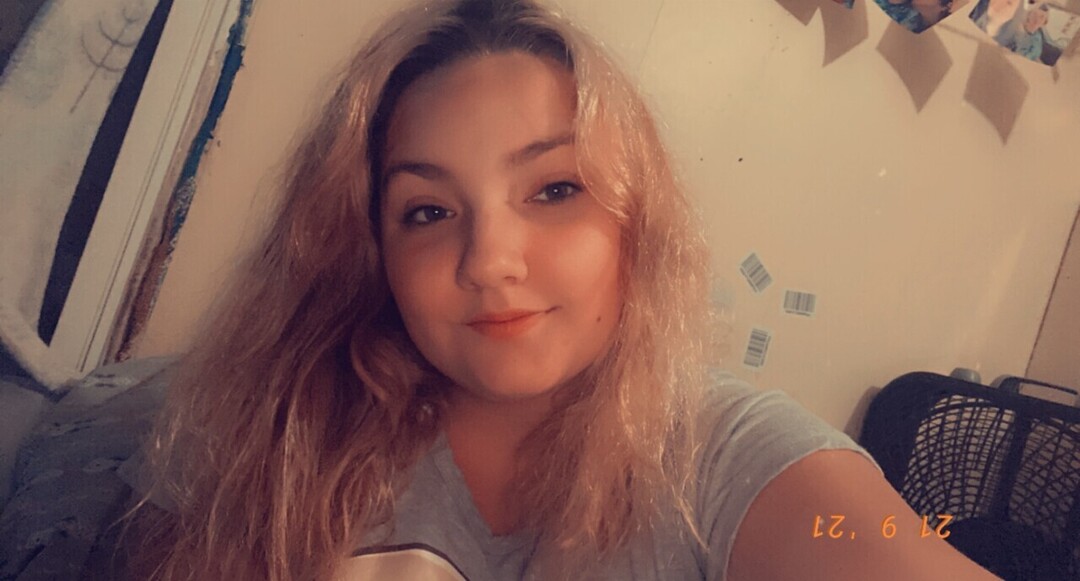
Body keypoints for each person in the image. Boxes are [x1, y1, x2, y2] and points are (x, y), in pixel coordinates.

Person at [118, 0, 1002, 579]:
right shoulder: (272, 430)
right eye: (427, 210)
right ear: (369, 250)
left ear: (634, 221)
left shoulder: (730, 453)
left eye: (553, 189)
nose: (490, 260)